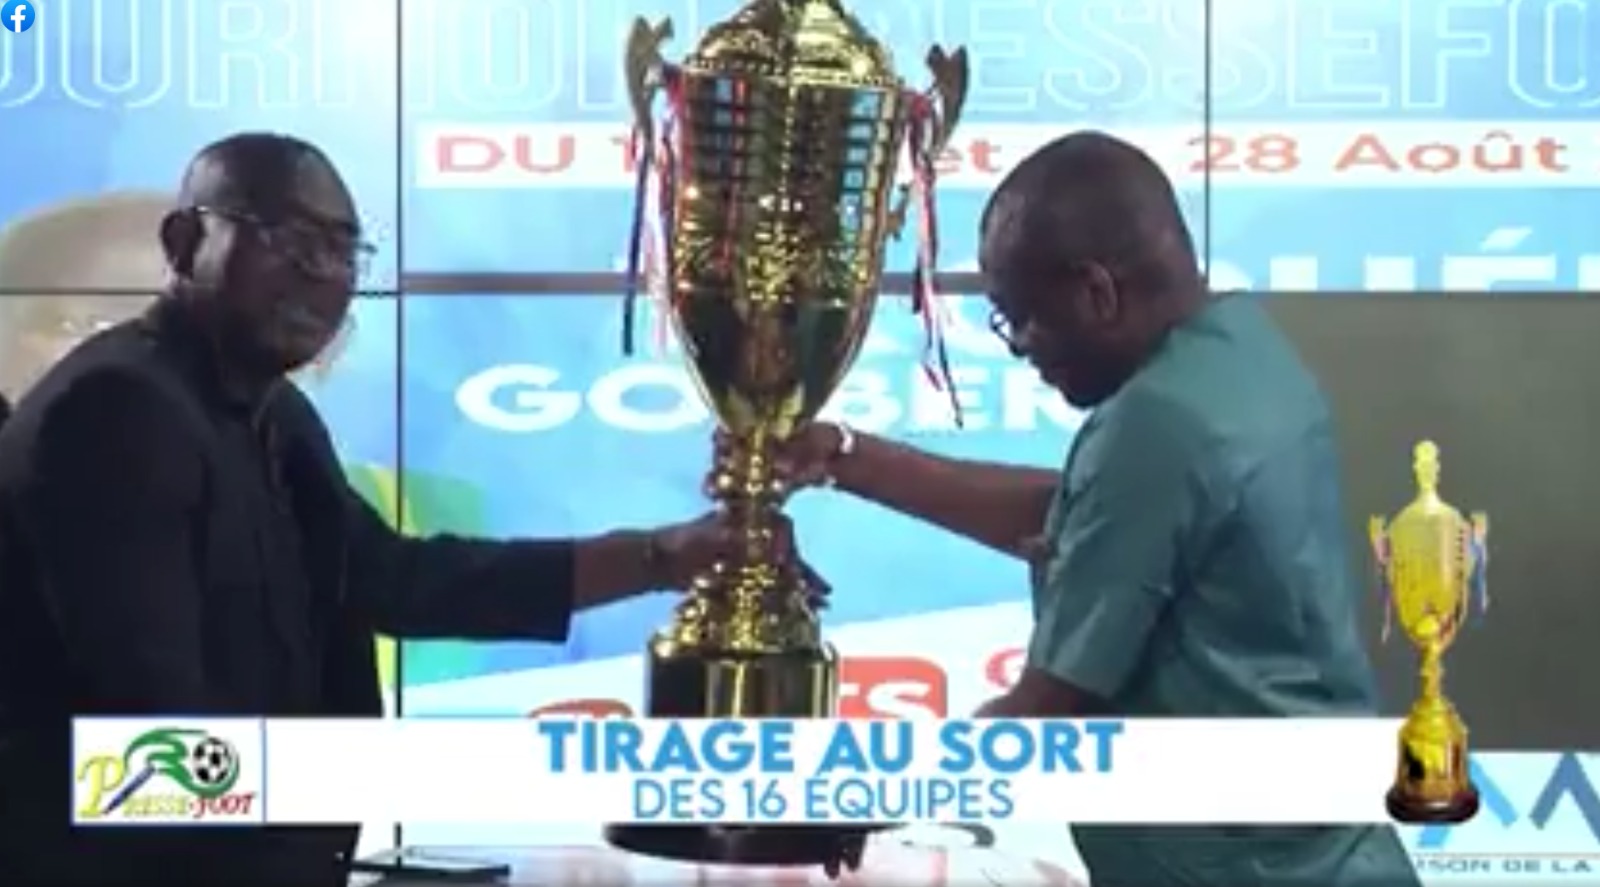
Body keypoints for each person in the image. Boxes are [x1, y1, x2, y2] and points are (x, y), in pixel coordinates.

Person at [0, 134, 744, 887]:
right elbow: (153, 739)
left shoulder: (273, 412)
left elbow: (391, 578)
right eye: (290, 240)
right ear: (185, 241)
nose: (322, 272)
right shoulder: (113, 410)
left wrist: (661, 557)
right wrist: (489, 772)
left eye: (342, 249)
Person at [768, 133, 1421, 886]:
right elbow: (1089, 515)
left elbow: (1046, 710)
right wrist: (844, 457)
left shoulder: (1158, 422)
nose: (1019, 347)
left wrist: (851, 797)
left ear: (1097, 292)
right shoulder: (1240, 354)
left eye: (1021, 316)